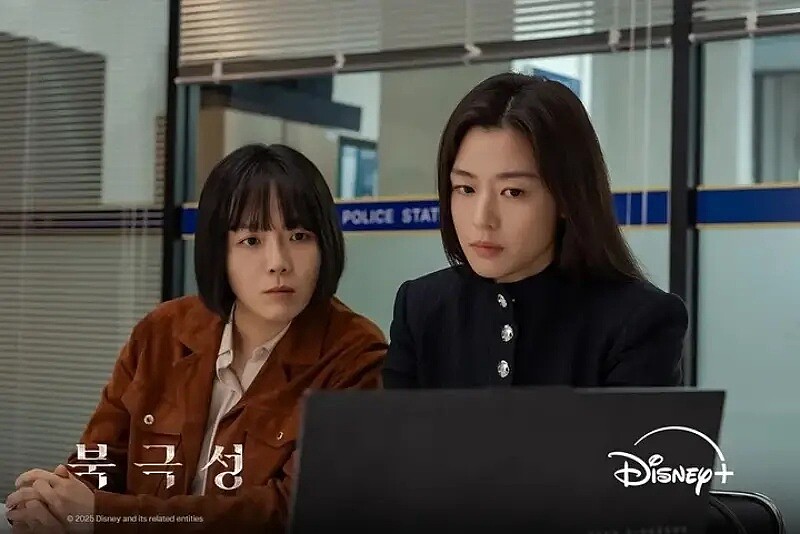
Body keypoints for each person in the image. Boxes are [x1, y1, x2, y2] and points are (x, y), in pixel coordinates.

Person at [6, 144, 387, 533]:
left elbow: (287, 512)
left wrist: (105, 515)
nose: (278, 262)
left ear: (325, 244)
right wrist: (55, 499)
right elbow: (102, 457)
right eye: (251, 240)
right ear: (218, 251)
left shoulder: (355, 356)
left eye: (299, 235)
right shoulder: (164, 330)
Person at [382, 72, 688, 389]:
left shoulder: (638, 321)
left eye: (513, 192)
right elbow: (394, 422)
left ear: (567, 197)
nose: (482, 219)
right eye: (466, 189)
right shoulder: (422, 307)